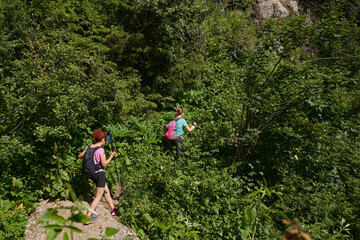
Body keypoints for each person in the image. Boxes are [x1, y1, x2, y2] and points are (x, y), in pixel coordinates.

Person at [78, 129, 117, 224]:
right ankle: (88, 216)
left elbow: (80, 156)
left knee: (106, 190)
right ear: (102, 139)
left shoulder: (89, 147)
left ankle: (113, 209)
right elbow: (104, 164)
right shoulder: (100, 150)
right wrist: (112, 156)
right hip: (100, 174)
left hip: (92, 174)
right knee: (98, 196)